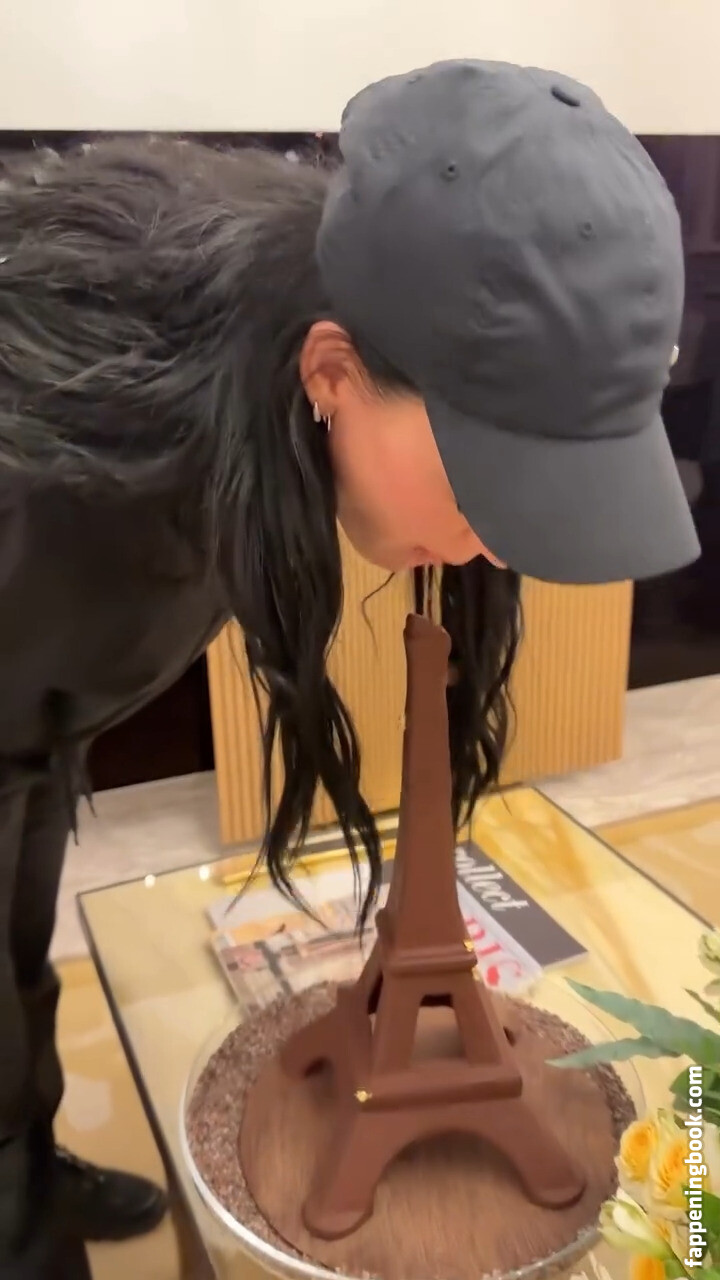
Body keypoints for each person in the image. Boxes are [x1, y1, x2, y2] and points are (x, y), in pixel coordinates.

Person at [0, 57, 699, 1277]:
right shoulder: (61, 467)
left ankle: (28, 1165)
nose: (496, 545)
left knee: (25, 917)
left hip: (32, 711)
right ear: (330, 375)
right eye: (490, 481)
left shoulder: (290, 309)